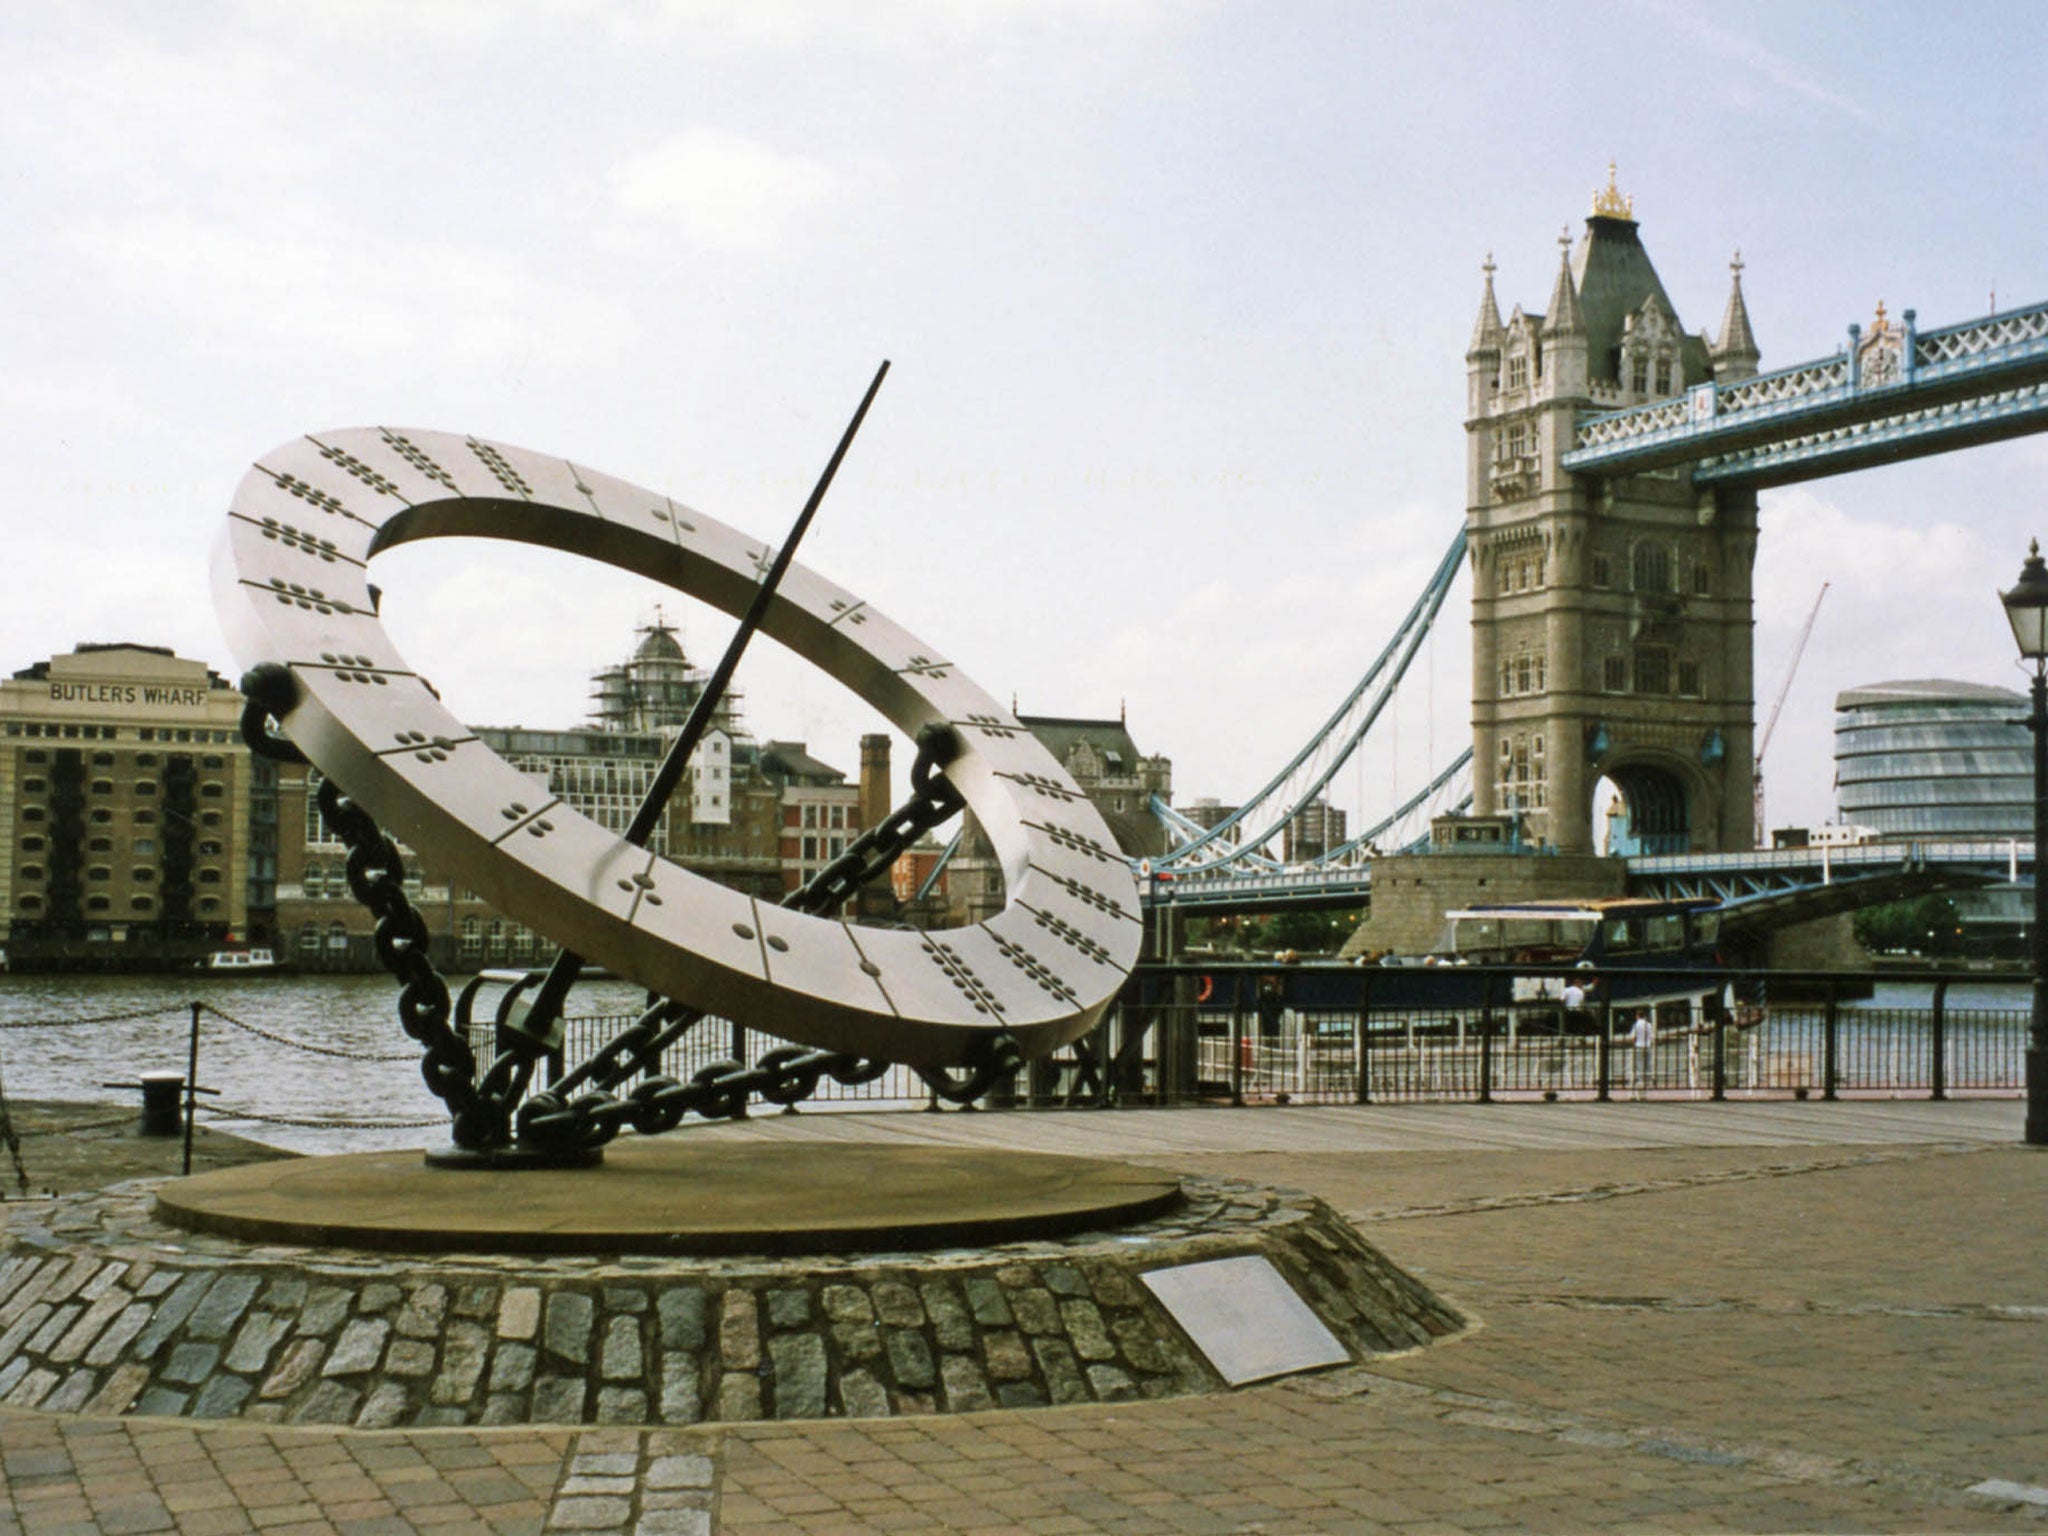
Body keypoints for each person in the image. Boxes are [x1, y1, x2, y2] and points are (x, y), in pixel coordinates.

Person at [1628, 1008, 1656, 1099]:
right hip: (1647, 1046)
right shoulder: (1649, 1025)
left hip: (1639, 1046)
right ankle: (1647, 1080)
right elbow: (1652, 1037)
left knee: (1639, 1065)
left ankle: (1640, 1081)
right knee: (1647, 1065)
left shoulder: (1636, 1025)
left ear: (1637, 1016)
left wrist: (1633, 1045)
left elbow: (1633, 1037)